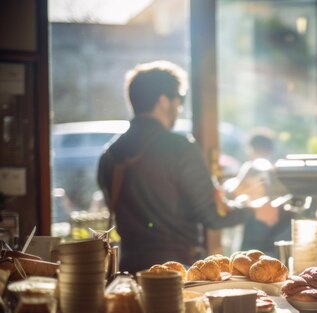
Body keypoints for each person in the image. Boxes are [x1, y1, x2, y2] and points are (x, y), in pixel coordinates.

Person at [98, 61, 277, 274]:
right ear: (164, 101)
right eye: (179, 99)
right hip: (176, 272)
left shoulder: (109, 155)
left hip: (129, 271)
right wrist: (254, 211)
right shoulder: (178, 147)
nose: (179, 107)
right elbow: (212, 215)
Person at [225, 130, 291, 257]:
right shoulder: (276, 170)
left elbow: (232, 192)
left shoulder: (252, 167)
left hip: (257, 223)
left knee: (248, 257)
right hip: (276, 222)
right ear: (271, 150)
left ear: (250, 150)